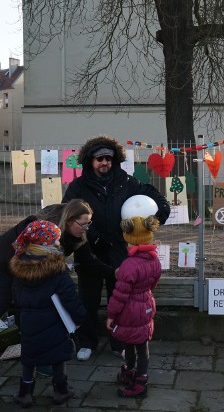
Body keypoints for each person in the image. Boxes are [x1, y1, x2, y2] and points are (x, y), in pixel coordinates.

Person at [0, 199, 99, 385]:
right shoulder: (38, 225)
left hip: (32, 270)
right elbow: (17, 253)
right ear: (69, 221)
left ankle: (40, 360)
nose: (86, 228)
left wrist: (113, 271)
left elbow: (88, 262)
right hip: (3, 264)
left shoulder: (76, 237)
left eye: (88, 224)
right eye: (83, 224)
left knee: (35, 313)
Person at [62, 135, 170, 360]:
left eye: (109, 159)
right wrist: (93, 237)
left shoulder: (125, 181)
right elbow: (69, 215)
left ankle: (119, 343)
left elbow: (150, 193)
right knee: (87, 301)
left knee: (119, 298)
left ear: (115, 160)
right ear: (90, 160)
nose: (105, 163)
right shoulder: (78, 186)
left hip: (118, 251)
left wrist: (161, 211)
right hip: (88, 250)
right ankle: (87, 342)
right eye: (100, 158)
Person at [9, 220, 86, 407]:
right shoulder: (57, 270)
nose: (59, 243)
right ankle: (61, 390)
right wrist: (80, 317)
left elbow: (16, 297)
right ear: (49, 244)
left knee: (29, 357)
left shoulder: (20, 268)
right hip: (54, 320)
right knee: (58, 355)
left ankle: (25, 393)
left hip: (28, 320)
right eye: (56, 240)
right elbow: (69, 298)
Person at [106, 215, 162, 398]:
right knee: (142, 344)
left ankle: (132, 374)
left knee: (129, 343)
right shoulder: (154, 260)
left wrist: (111, 315)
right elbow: (153, 282)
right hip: (146, 303)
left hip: (129, 310)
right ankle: (141, 377)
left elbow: (119, 295)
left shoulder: (128, 265)